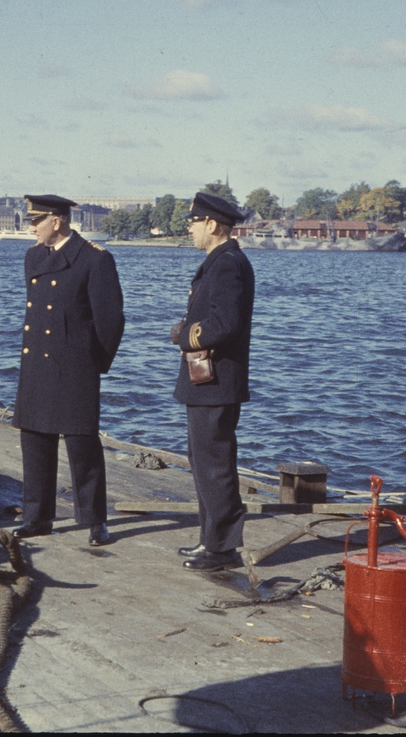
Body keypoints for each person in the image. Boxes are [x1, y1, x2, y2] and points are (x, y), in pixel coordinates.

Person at [11, 195, 125, 547]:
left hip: (76, 367)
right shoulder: (34, 257)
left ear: (56, 221)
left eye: (36, 222)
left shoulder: (94, 259)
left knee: (82, 446)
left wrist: (93, 364)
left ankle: (94, 520)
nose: (31, 228)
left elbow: (110, 321)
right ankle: (37, 517)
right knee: (35, 440)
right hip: (37, 363)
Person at [169, 192, 255, 571]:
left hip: (216, 381)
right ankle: (210, 539)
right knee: (203, 460)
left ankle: (222, 549)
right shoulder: (219, 261)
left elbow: (224, 324)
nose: (190, 229)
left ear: (213, 225)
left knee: (215, 464)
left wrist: (185, 335)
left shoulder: (227, 264)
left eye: (194, 222)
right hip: (207, 382)